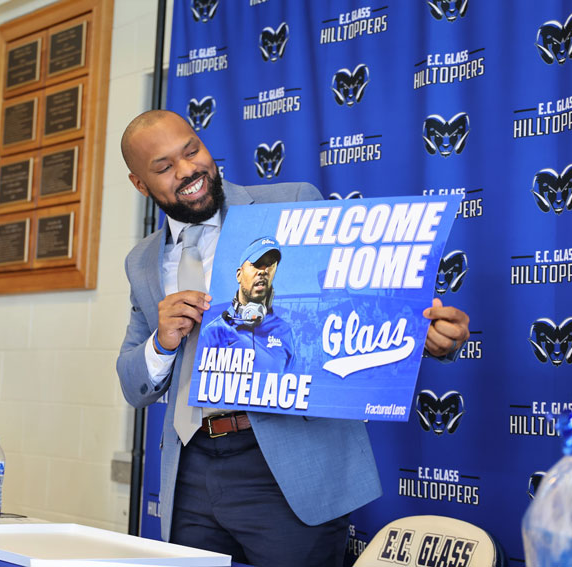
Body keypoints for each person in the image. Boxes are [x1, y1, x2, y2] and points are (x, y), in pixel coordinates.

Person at [116, 110, 470, 567]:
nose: (188, 171)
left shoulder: (292, 203)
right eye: (163, 167)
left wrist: (422, 331)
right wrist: (161, 343)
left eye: (192, 151)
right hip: (192, 470)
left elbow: (352, 302)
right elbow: (132, 383)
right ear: (140, 185)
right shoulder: (142, 261)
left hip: (283, 466)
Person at [197, 236, 297, 376]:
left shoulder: (285, 332)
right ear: (239, 274)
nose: (263, 271)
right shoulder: (214, 331)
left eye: (270, 265)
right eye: (257, 264)